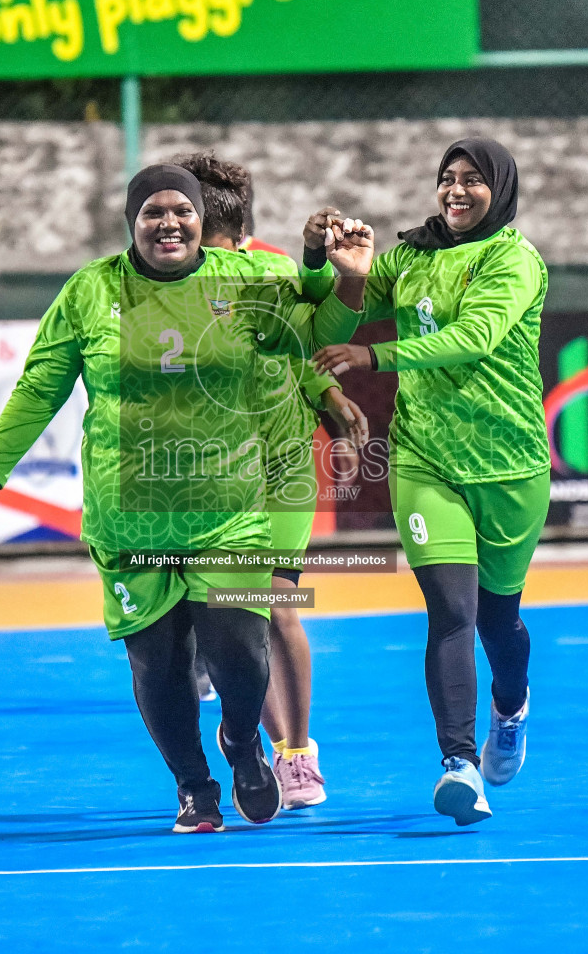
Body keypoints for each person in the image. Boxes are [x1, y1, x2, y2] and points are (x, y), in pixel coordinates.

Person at [0, 166, 371, 834]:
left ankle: (245, 742)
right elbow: (39, 386)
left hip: (230, 508)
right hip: (128, 511)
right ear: (131, 223)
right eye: (153, 213)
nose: (169, 224)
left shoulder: (247, 280)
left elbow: (317, 330)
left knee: (243, 650)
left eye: (182, 212)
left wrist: (351, 279)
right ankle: (195, 788)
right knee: (157, 663)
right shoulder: (91, 290)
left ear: (200, 220)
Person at [310, 138, 549, 826]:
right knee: (452, 612)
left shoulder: (515, 259)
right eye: (448, 178)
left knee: (500, 621)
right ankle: (460, 765)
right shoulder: (409, 256)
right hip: (424, 461)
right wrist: (342, 269)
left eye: (473, 180)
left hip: (510, 466)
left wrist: (374, 354)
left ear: (498, 190)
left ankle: (512, 706)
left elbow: (474, 336)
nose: (457, 190)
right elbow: (338, 309)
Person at [172, 151, 369, 811]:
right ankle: (245, 739)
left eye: (186, 213)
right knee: (228, 620)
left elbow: (301, 349)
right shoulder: (160, 284)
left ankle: (297, 753)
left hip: (279, 470)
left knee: (279, 606)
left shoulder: (275, 271)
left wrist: (331, 403)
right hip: (202, 474)